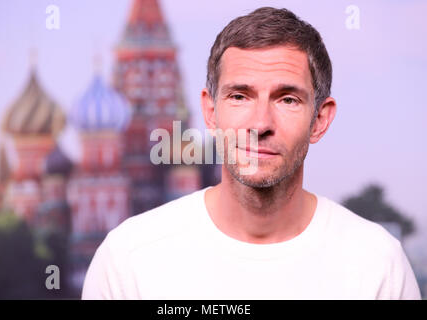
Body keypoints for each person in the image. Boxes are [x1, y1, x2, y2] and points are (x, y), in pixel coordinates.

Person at [82, 7, 421, 299]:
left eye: (287, 99)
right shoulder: (128, 258)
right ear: (210, 112)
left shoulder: (377, 263)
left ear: (320, 119)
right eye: (240, 96)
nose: (260, 124)